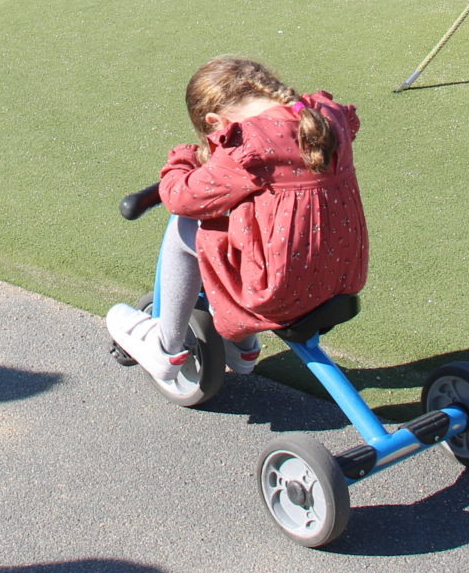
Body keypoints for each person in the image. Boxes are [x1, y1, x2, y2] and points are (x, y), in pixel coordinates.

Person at [106, 56, 367, 394]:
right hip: (341, 277)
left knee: (186, 225)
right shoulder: (324, 117)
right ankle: (243, 351)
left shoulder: (247, 145)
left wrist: (184, 161)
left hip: (280, 291)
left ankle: (166, 346)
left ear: (215, 120)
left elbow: (181, 197)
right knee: (251, 231)